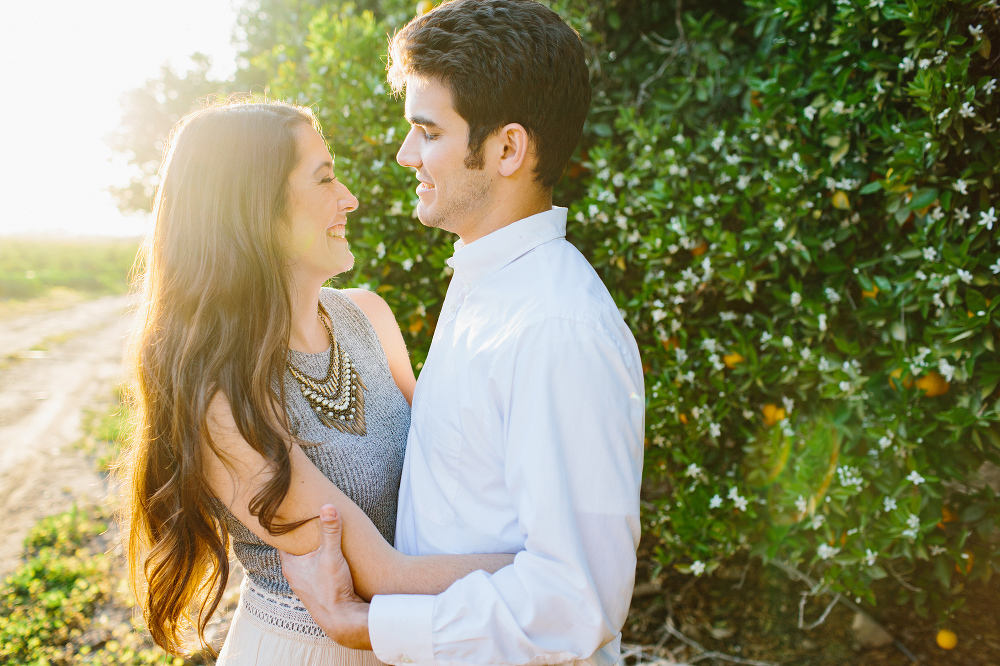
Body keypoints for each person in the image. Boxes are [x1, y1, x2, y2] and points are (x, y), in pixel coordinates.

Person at [280, 0, 646, 664]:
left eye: (427, 131)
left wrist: (364, 624)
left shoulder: (554, 329)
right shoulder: (486, 283)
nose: (403, 153)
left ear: (507, 148)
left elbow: (573, 602)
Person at [117, 99, 515, 666]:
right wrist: (557, 571)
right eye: (325, 179)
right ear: (253, 209)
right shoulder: (221, 396)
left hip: (408, 641)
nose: (348, 198)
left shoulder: (368, 318)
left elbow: (451, 470)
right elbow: (382, 574)